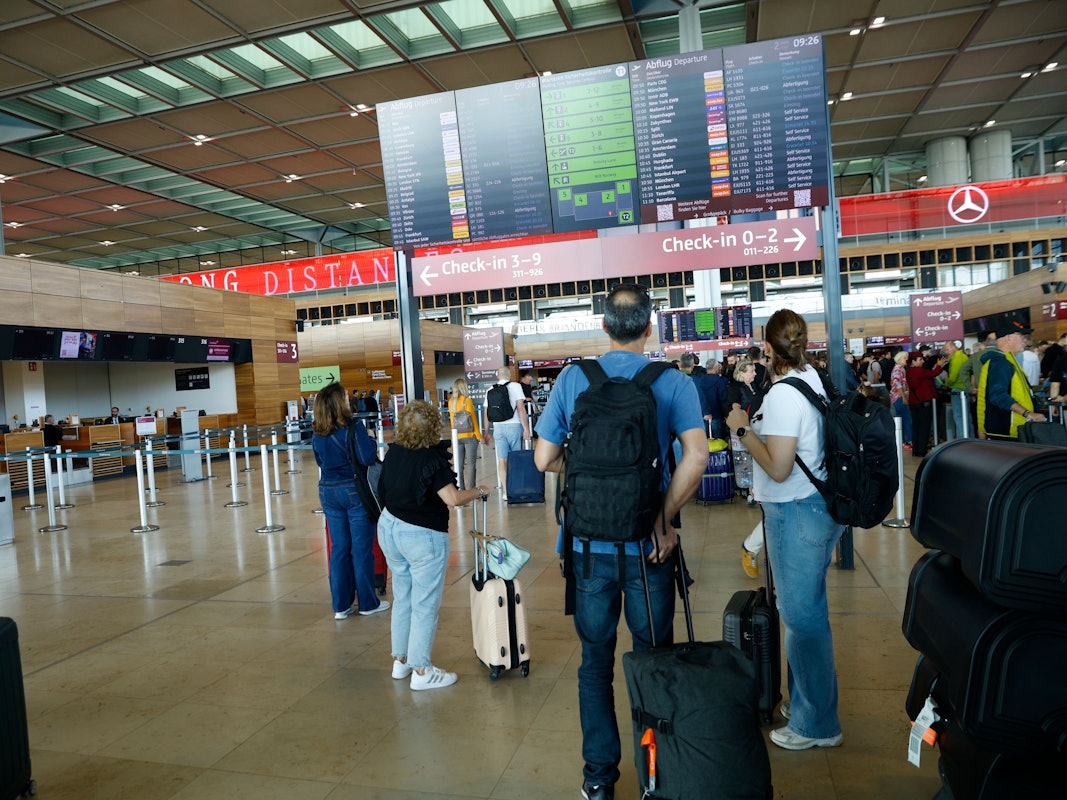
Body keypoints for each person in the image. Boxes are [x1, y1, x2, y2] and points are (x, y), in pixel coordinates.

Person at [533, 283, 706, 800]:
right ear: (651, 327)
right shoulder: (672, 382)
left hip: (587, 551)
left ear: (603, 326)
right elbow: (696, 457)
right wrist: (661, 515)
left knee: (595, 664)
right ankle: (658, 776)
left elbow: (544, 459)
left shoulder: (573, 378)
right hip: (646, 550)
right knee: (653, 661)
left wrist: (586, 472)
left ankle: (598, 780)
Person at [726, 308, 846, 752]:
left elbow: (777, 467)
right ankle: (806, 704)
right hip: (819, 508)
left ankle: (817, 723)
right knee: (807, 612)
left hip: (795, 511)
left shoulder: (781, 396)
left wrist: (742, 429)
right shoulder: (813, 379)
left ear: (768, 345)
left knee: (801, 618)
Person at [377, 400, 490, 690]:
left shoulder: (394, 452)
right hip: (421, 536)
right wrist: (478, 491)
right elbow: (452, 499)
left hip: (389, 528)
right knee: (425, 604)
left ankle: (400, 661)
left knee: (403, 597)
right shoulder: (431, 460)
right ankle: (423, 671)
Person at [311, 382, 389, 620]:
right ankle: (367, 602)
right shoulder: (354, 426)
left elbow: (318, 461)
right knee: (361, 549)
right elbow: (366, 458)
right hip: (353, 492)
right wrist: (372, 439)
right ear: (339, 402)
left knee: (339, 549)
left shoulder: (318, 431)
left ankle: (341, 606)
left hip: (327, 492)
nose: (349, 400)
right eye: (345, 396)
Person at [977, 322, 1046, 440]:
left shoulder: (1006, 361)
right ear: (1008, 338)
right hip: (1007, 431)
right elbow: (997, 395)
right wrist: (1028, 413)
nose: (1025, 340)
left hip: (1009, 429)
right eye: (1021, 336)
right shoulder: (1001, 362)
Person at [482, 366, 531, 499]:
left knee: (502, 460)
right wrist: (526, 428)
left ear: (498, 376)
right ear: (509, 375)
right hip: (514, 426)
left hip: (498, 428)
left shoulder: (490, 389)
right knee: (516, 459)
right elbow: (521, 409)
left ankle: (505, 491)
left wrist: (486, 432)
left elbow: (486, 413)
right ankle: (517, 489)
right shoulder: (516, 386)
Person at [906, 352, 946, 458]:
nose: (923, 361)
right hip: (923, 402)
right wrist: (939, 365)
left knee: (916, 426)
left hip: (914, 402)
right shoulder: (918, 370)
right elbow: (932, 374)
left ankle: (916, 450)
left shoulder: (910, 371)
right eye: (920, 359)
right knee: (924, 426)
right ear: (913, 361)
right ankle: (921, 450)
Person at [448, 377, 482, 491]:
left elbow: (452, 421)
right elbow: (473, 419)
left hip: (457, 436)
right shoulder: (466, 400)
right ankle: (471, 488)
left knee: (458, 465)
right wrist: (479, 436)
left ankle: (460, 488)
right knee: (471, 464)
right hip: (469, 436)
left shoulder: (451, 402)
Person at [888, 351, 913, 448]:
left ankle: (903, 441)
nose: (906, 360)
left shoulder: (900, 369)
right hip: (899, 397)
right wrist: (903, 397)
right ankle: (909, 440)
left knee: (902, 419)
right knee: (906, 419)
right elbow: (898, 384)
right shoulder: (898, 370)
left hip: (898, 397)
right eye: (905, 358)